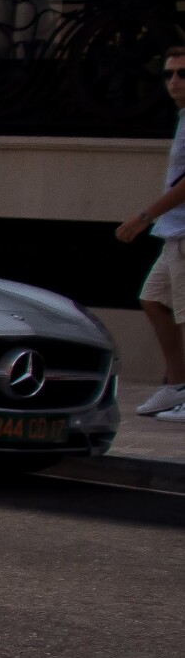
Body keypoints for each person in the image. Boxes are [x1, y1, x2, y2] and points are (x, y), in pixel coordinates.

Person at [118, 45, 185, 419]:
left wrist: (144, 217)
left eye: (182, 74)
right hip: (174, 233)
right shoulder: (183, 117)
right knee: (154, 299)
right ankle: (175, 386)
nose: (174, 81)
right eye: (169, 73)